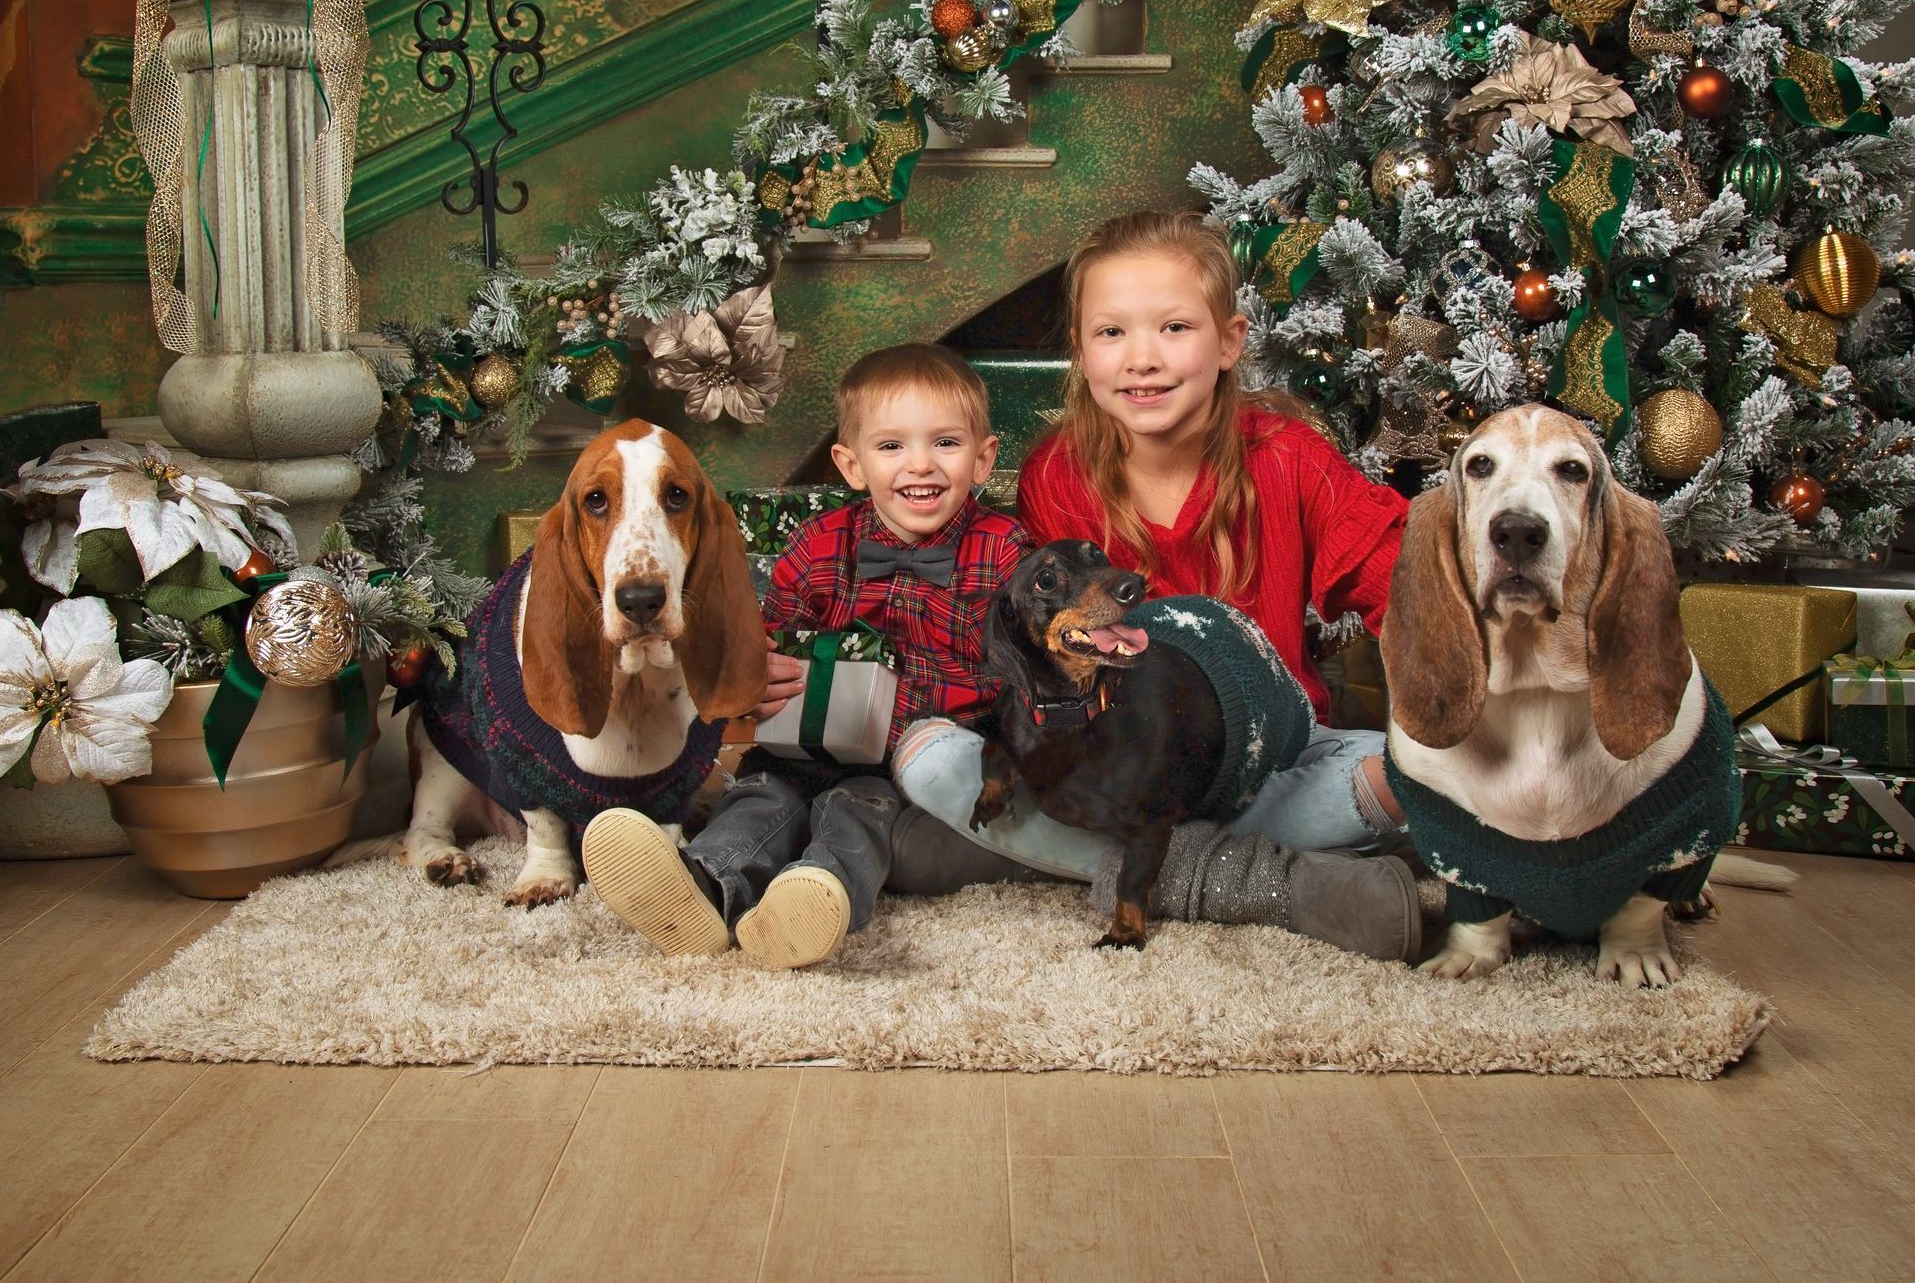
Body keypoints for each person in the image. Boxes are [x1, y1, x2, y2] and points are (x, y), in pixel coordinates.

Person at [893, 209, 1421, 960]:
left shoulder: (1289, 458)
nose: (1142, 358)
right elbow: (1047, 657)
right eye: (1112, 333)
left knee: (1415, 776)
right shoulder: (1058, 472)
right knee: (930, 756)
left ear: (1229, 341)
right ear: (1079, 350)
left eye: (1174, 328)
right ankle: (1259, 881)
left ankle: (1050, 860)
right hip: (1116, 762)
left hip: (1273, 757)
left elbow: (1401, 589)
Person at [581, 344, 1029, 968]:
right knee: (760, 795)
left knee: (857, 814)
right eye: (892, 446)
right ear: (850, 464)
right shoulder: (818, 542)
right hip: (805, 747)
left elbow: (1019, 677)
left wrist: (936, 721)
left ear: (983, 459)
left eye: (946, 444)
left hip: (909, 765)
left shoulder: (1006, 552)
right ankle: (706, 886)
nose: (920, 465)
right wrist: (760, 677)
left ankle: (817, 895)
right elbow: (769, 639)